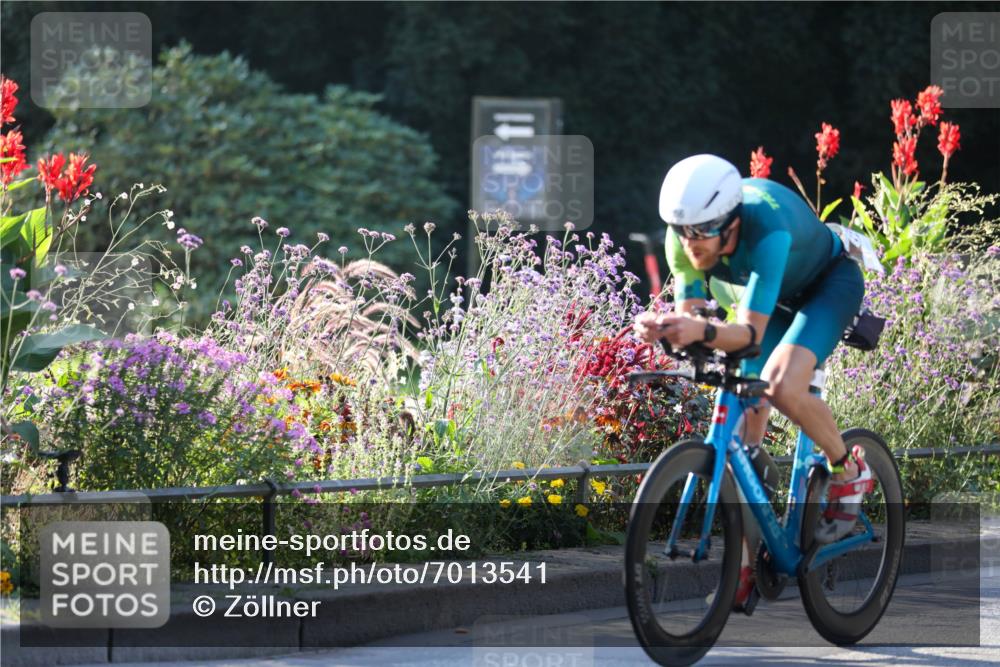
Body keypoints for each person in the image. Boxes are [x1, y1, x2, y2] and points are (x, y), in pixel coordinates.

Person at [633, 154, 874, 605]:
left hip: (823, 289)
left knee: (782, 385)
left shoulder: (767, 228)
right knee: (741, 438)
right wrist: (668, 327)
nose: (691, 244)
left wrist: (702, 329)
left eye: (703, 231)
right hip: (760, 299)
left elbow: (748, 335)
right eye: (684, 231)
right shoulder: (682, 236)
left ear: (731, 221)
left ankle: (848, 467)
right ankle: (744, 568)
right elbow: (695, 322)